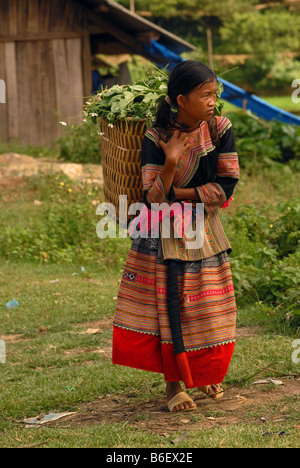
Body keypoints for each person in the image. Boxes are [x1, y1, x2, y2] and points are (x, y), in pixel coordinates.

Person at [112, 61, 240, 412]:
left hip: (202, 230)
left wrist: (180, 194)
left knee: (207, 305)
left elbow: (227, 185)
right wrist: (170, 162)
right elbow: (151, 198)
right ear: (181, 100)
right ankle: (173, 387)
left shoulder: (219, 129)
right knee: (166, 307)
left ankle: (204, 373)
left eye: (215, 94)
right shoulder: (155, 137)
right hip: (161, 234)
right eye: (206, 95)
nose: (213, 101)